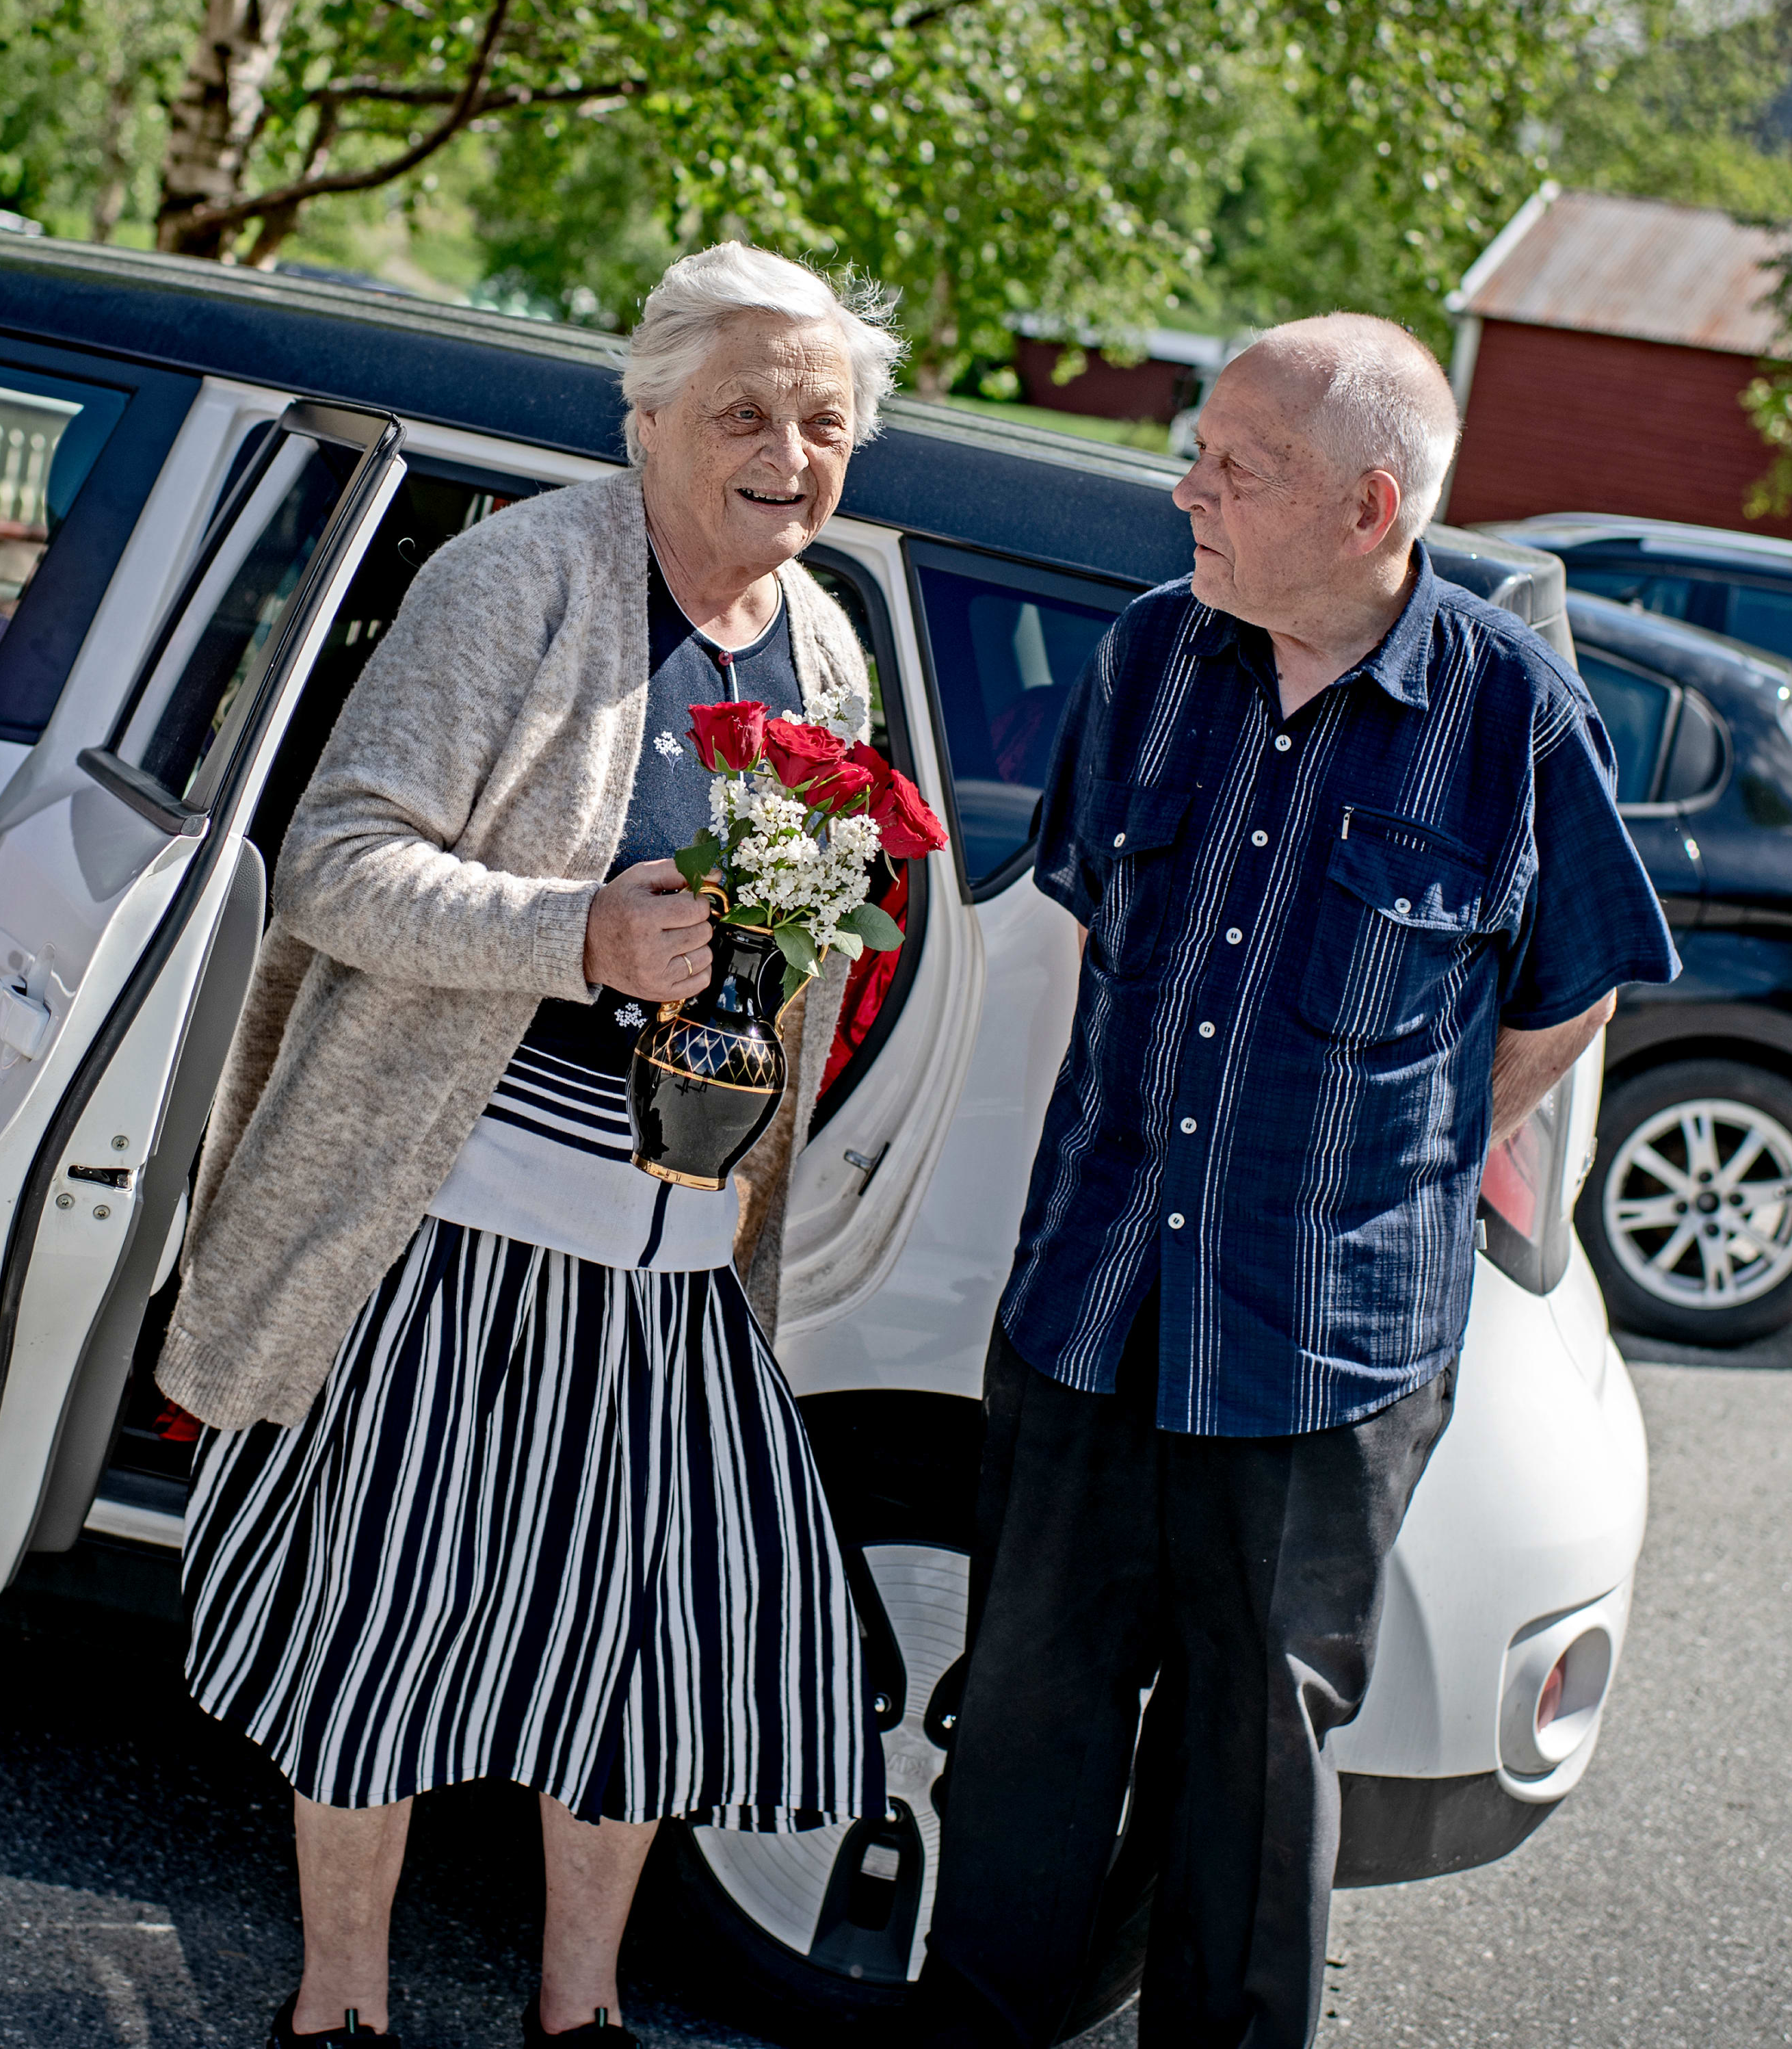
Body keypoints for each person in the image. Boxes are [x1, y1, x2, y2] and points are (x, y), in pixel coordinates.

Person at [155, 243, 899, 2049]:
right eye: (743, 412)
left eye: (822, 420)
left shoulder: (823, 642)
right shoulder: (516, 581)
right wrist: (577, 933)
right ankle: (341, 2006)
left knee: (637, 1664)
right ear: (643, 418)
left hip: (668, 1261)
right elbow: (338, 863)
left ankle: (580, 2015)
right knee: (383, 1633)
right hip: (448, 1233)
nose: (788, 454)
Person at [917, 317, 1676, 2049]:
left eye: (1234, 468)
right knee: (1027, 1717)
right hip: (1093, 1298)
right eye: (1199, 452)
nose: (1188, 490)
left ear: (1368, 506)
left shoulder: (1513, 718)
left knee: (1256, 1763)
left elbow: (1573, 993)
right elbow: (1096, 918)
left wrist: (1399, 1157)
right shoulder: (1148, 656)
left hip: (1323, 1349)